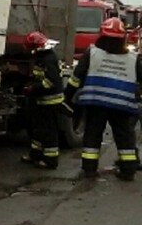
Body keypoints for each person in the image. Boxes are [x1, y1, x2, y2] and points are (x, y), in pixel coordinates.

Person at [65, 17, 142, 181]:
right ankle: (128, 170)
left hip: (95, 102)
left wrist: (67, 97)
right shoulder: (133, 58)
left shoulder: (92, 52)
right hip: (122, 104)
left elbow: (76, 78)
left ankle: (89, 170)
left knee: (93, 134)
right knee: (124, 136)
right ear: (123, 37)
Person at [20, 31, 66, 169]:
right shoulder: (43, 57)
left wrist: (33, 88)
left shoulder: (48, 59)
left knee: (49, 132)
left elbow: (51, 82)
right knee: (38, 129)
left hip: (50, 102)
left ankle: (50, 161)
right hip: (42, 101)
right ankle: (35, 155)